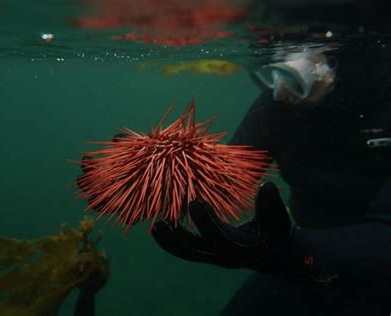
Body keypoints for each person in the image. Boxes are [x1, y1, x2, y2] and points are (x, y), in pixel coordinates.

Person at [151, 4, 391, 315]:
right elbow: (216, 183)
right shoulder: (283, 102)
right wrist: (149, 169)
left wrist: (292, 252)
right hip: (304, 266)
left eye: (293, 76)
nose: (279, 92)